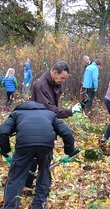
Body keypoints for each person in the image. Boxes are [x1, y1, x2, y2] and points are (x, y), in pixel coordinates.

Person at [0, 101, 77, 209]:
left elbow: (3, 132)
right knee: (44, 172)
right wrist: (69, 152)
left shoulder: (16, 114)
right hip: (46, 145)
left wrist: (6, 151)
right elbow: (67, 133)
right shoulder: (49, 114)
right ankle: (39, 205)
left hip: (24, 146)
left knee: (16, 175)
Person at [28, 61, 82, 195]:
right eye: (62, 78)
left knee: (39, 157)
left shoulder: (54, 83)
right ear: (54, 72)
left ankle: (31, 184)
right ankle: (38, 190)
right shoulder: (41, 85)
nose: (62, 81)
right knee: (40, 158)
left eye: (65, 79)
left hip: (46, 125)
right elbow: (50, 110)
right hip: (38, 126)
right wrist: (70, 111)